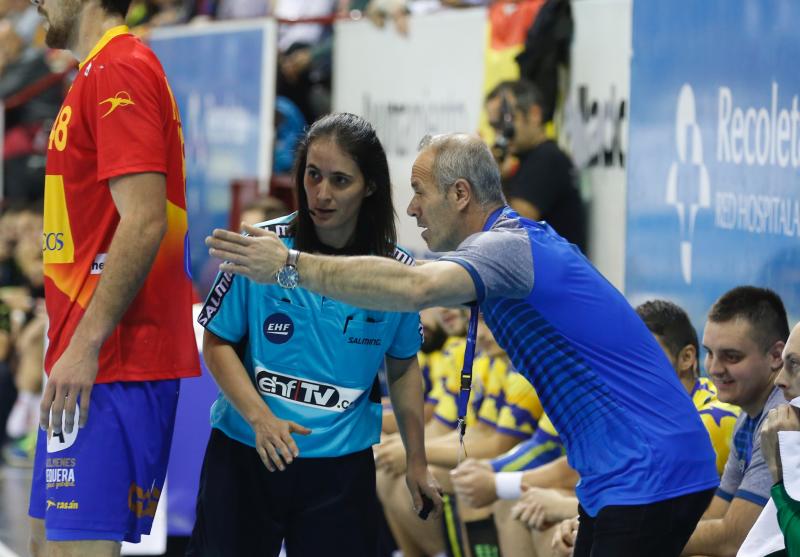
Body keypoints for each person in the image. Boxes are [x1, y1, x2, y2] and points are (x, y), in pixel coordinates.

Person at [206, 132, 719, 556]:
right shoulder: (512, 249)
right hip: (623, 472)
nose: (410, 208)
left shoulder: (506, 247)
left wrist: (292, 266)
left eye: (419, 192)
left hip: (648, 469)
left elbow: (413, 287)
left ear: (459, 194)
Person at [188, 113, 442, 557]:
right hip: (248, 454)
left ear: (369, 186)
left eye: (340, 180)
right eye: (313, 175)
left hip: (340, 474)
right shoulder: (260, 249)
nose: (321, 194)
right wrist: (260, 419)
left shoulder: (395, 274)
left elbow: (403, 368)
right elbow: (218, 343)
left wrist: (417, 462)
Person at [27, 1, 200, 555]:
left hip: (112, 363)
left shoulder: (119, 69)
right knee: (44, 547)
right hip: (84, 363)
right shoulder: (97, 71)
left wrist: (86, 343)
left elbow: (145, 217)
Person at [682, 286, 789, 557]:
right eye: (710, 353)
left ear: (776, 356)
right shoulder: (748, 411)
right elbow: (715, 516)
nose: (714, 368)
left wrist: (638, 540)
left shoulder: (782, 415)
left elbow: (734, 540)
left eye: (731, 356)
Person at [485, 79, 586, 252]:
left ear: (534, 114)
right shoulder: (530, 159)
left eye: (507, 121)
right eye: (495, 125)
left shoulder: (545, 160)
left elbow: (513, 230)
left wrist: (490, 180)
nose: (501, 133)